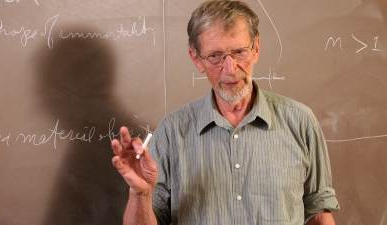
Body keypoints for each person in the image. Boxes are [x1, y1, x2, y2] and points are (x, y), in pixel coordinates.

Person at [111, 1, 340, 224]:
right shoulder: (172, 132)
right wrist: (140, 195)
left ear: (256, 48)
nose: (230, 69)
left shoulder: (300, 122)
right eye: (215, 56)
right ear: (196, 59)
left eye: (240, 52)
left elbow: (319, 215)